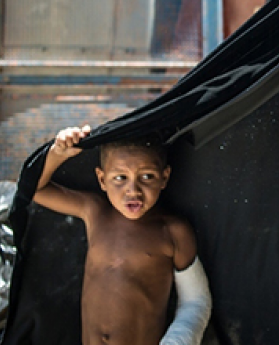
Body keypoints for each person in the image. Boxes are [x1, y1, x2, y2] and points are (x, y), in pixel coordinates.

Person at [32, 125, 211, 345]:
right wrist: (57, 154)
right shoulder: (95, 212)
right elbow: (35, 190)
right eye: (120, 178)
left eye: (147, 176)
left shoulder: (173, 231)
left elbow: (196, 301)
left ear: (164, 178)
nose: (133, 190)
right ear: (102, 180)